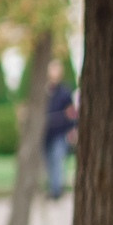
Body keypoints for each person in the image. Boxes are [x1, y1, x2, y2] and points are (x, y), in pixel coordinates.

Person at [42, 64, 73, 201]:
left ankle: (57, 190)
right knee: (49, 161)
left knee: (57, 159)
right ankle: (53, 187)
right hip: (46, 134)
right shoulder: (45, 91)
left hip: (60, 132)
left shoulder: (65, 92)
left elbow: (71, 112)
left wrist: (73, 129)